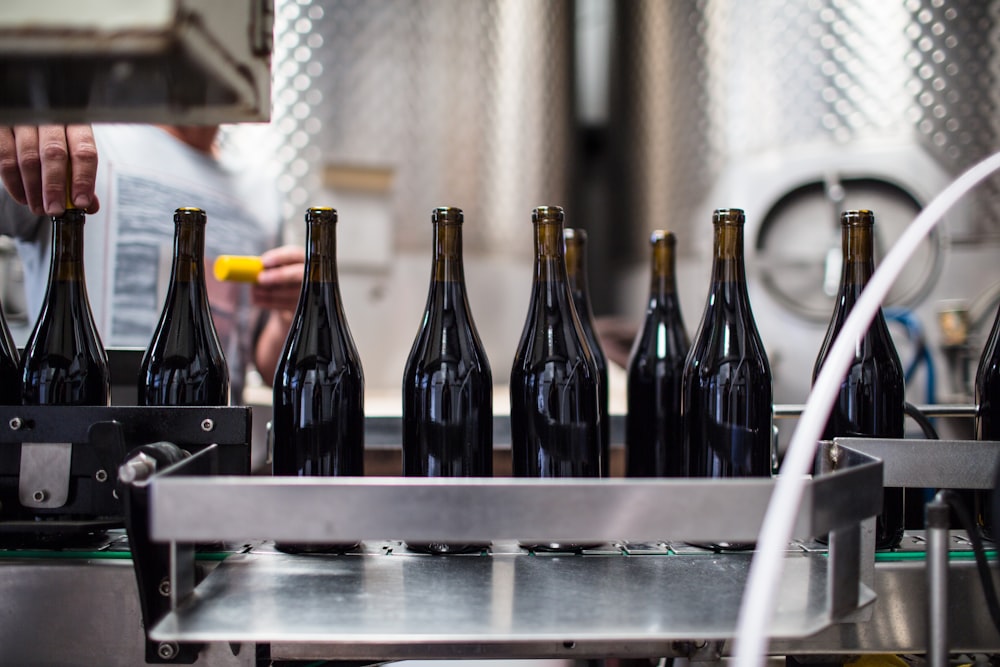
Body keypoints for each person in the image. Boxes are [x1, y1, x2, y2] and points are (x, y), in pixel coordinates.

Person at [0, 124, 304, 400]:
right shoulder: (77, 143)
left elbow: (267, 364)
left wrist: (289, 315)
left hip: (211, 445)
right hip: (82, 436)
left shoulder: (261, 193)